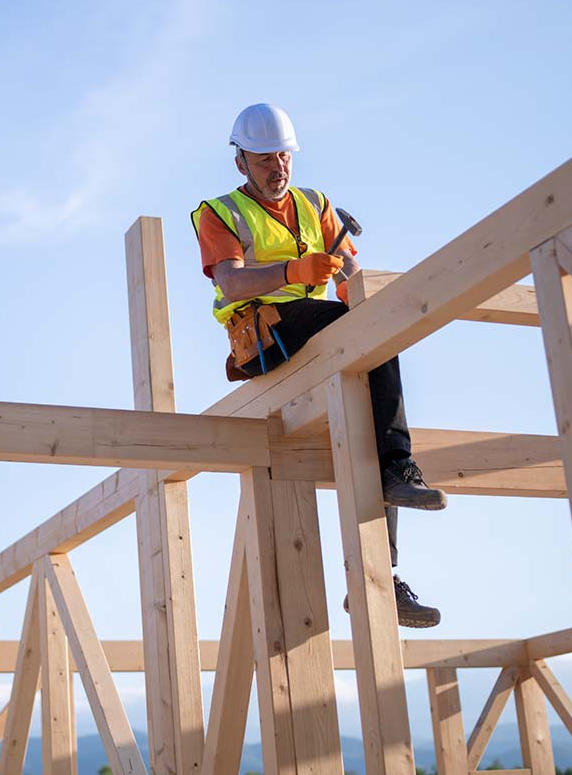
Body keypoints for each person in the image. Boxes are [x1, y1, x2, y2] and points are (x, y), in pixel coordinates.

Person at [191, 102, 446, 628]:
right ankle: (398, 463)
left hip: (314, 328)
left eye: (283, 156)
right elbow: (232, 283)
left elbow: (351, 274)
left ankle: (378, 571)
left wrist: (372, 311)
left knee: (371, 417)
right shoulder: (221, 213)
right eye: (263, 159)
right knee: (346, 329)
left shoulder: (315, 204)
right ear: (241, 163)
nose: (276, 167)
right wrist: (294, 268)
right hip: (262, 334)